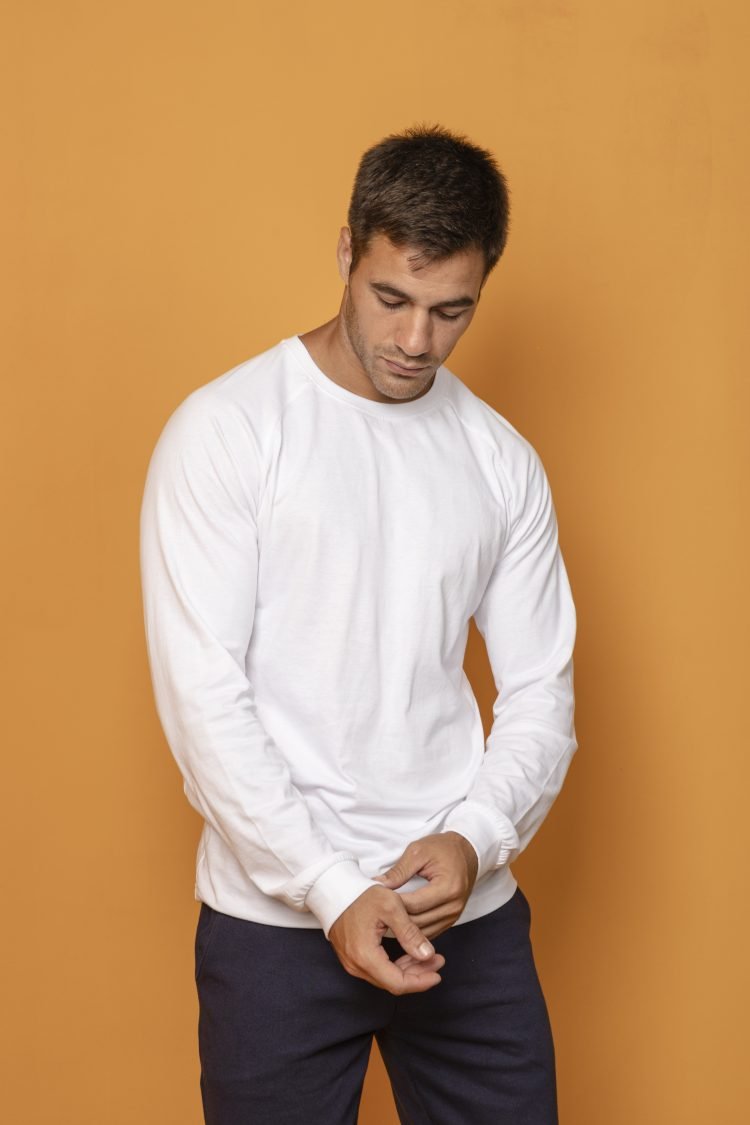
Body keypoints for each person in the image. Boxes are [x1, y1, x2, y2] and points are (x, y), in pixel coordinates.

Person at [139, 124, 578, 1125]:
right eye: (392, 298)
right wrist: (330, 886)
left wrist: (476, 836)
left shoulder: (499, 459)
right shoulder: (229, 433)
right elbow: (205, 700)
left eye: (451, 310)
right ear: (347, 251)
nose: (416, 340)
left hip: (466, 920)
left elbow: (541, 689)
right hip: (277, 925)